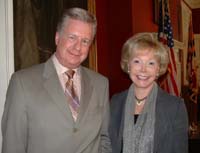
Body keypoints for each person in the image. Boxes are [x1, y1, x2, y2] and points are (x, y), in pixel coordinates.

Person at [2, 7, 112, 153]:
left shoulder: (100, 84)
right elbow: (13, 145)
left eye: (85, 41)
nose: (78, 47)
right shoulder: (22, 82)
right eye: (72, 37)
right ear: (57, 38)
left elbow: (104, 138)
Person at [109, 33, 188, 153]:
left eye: (151, 63)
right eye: (137, 61)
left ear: (158, 69)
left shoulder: (175, 107)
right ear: (128, 65)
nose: (143, 69)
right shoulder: (115, 102)